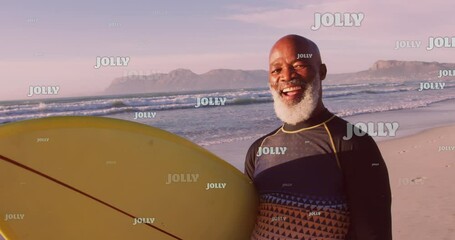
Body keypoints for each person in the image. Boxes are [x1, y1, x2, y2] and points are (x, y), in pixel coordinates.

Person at [244, 34, 392, 240]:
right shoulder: (259, 149)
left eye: (298, 65)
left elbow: (375, 233)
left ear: (321, 72)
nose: (286, 76)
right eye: (276, 70)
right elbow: (245, 222)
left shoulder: (353, 143)